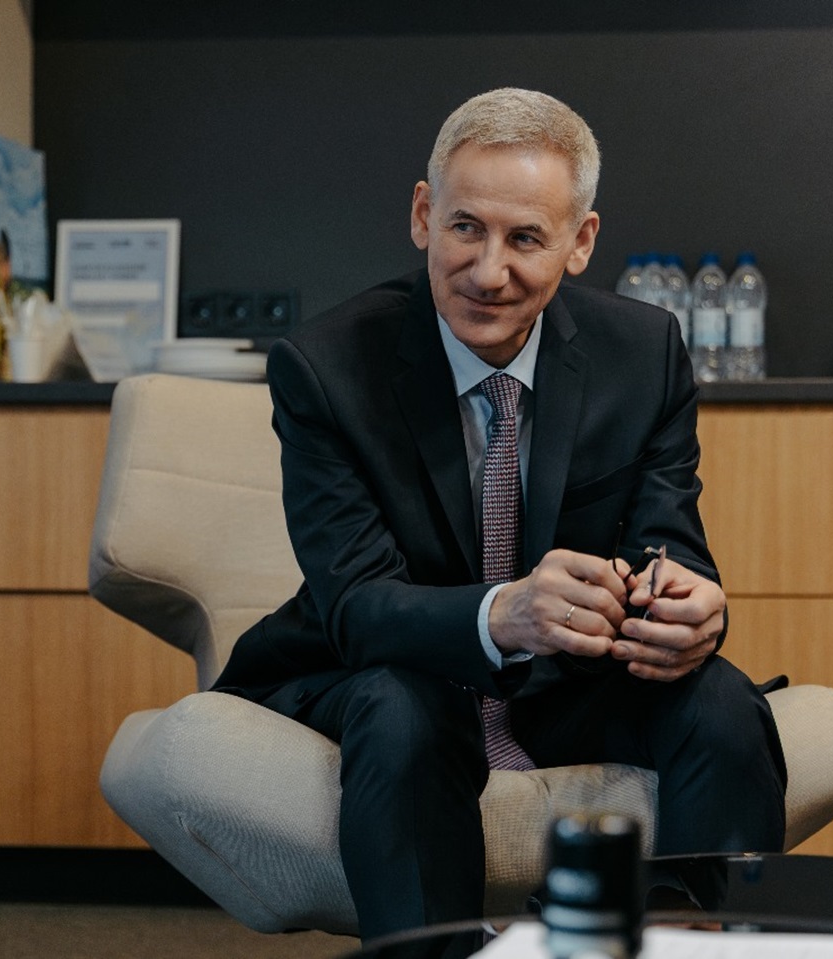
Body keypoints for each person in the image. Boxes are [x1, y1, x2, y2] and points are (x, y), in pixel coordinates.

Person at [212, 88, 786, 943]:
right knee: (405, 708)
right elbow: (357, 604)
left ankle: (691, 943)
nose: (488, 271)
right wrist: (503, 612)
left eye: (525, 238)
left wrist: (692, 607)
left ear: (580, 242)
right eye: (466, 228)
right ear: (423, 216)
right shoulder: (326, 367)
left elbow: (670, 547)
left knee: (722, 703)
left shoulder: (644, 353)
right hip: (383, 672)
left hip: (564, 688)